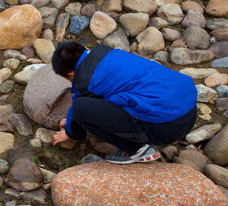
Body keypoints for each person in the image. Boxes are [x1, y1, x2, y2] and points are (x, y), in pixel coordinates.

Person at [50, 41, 197, 164]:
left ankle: (136, 150)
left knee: (81, 109)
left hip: (167, 128)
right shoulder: (108, 54)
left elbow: (79, 108)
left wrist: (70, 132)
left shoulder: (86, 79)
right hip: (189, 110)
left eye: (68, 79)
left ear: (71, 74)